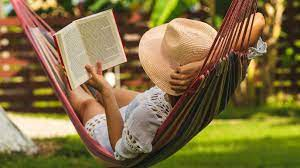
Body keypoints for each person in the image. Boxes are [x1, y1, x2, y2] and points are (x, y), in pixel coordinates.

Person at [63, 13, 267, 160]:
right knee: (104, 90)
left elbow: (118, 150)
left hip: (118, 132)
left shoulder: (147, 117)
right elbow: (258, 19)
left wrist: (106, 93)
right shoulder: (221, 73)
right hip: (152, 101)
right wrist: (207, 63)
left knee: (89, 104)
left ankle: (62, 70)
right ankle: (83, 78)